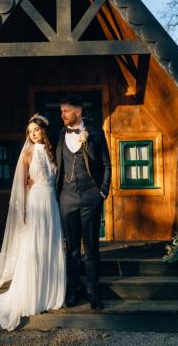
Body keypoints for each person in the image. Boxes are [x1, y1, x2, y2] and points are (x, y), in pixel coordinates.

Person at [0, 114, 65, 331]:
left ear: (44, 130)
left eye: (36, 130)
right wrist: (23, 210)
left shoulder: (52, 152)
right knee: (34, 248)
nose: (33, 134)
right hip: (35, 203)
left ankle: (51, 294)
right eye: (30, 131)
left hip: (51, 202)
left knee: (50, 247)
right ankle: (32, 296)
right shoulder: (27, 152)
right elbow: (21, 185)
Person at [56, 93, 111, 311]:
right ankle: (73, 290)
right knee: (71, 249)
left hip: (91, 197)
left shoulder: (96, 132)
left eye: (65, 111)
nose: (62, 115)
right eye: (61, 112)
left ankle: (93, 292)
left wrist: (103, 192)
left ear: (78, 111)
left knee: (91, 247)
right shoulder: (60, 134)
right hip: (66, 198)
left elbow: (107, 164)